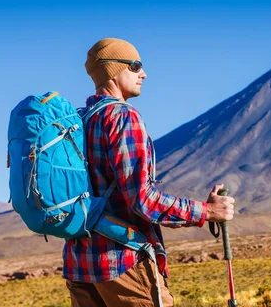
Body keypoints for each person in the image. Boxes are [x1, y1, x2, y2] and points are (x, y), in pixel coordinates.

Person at [63, 38, 235, 306]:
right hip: (122, 261)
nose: (143, 73)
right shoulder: (122, 117)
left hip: (80, 264)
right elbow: (143, 200)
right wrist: (208, 212)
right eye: (135, 65)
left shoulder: (80, 121)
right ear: (112, 70)